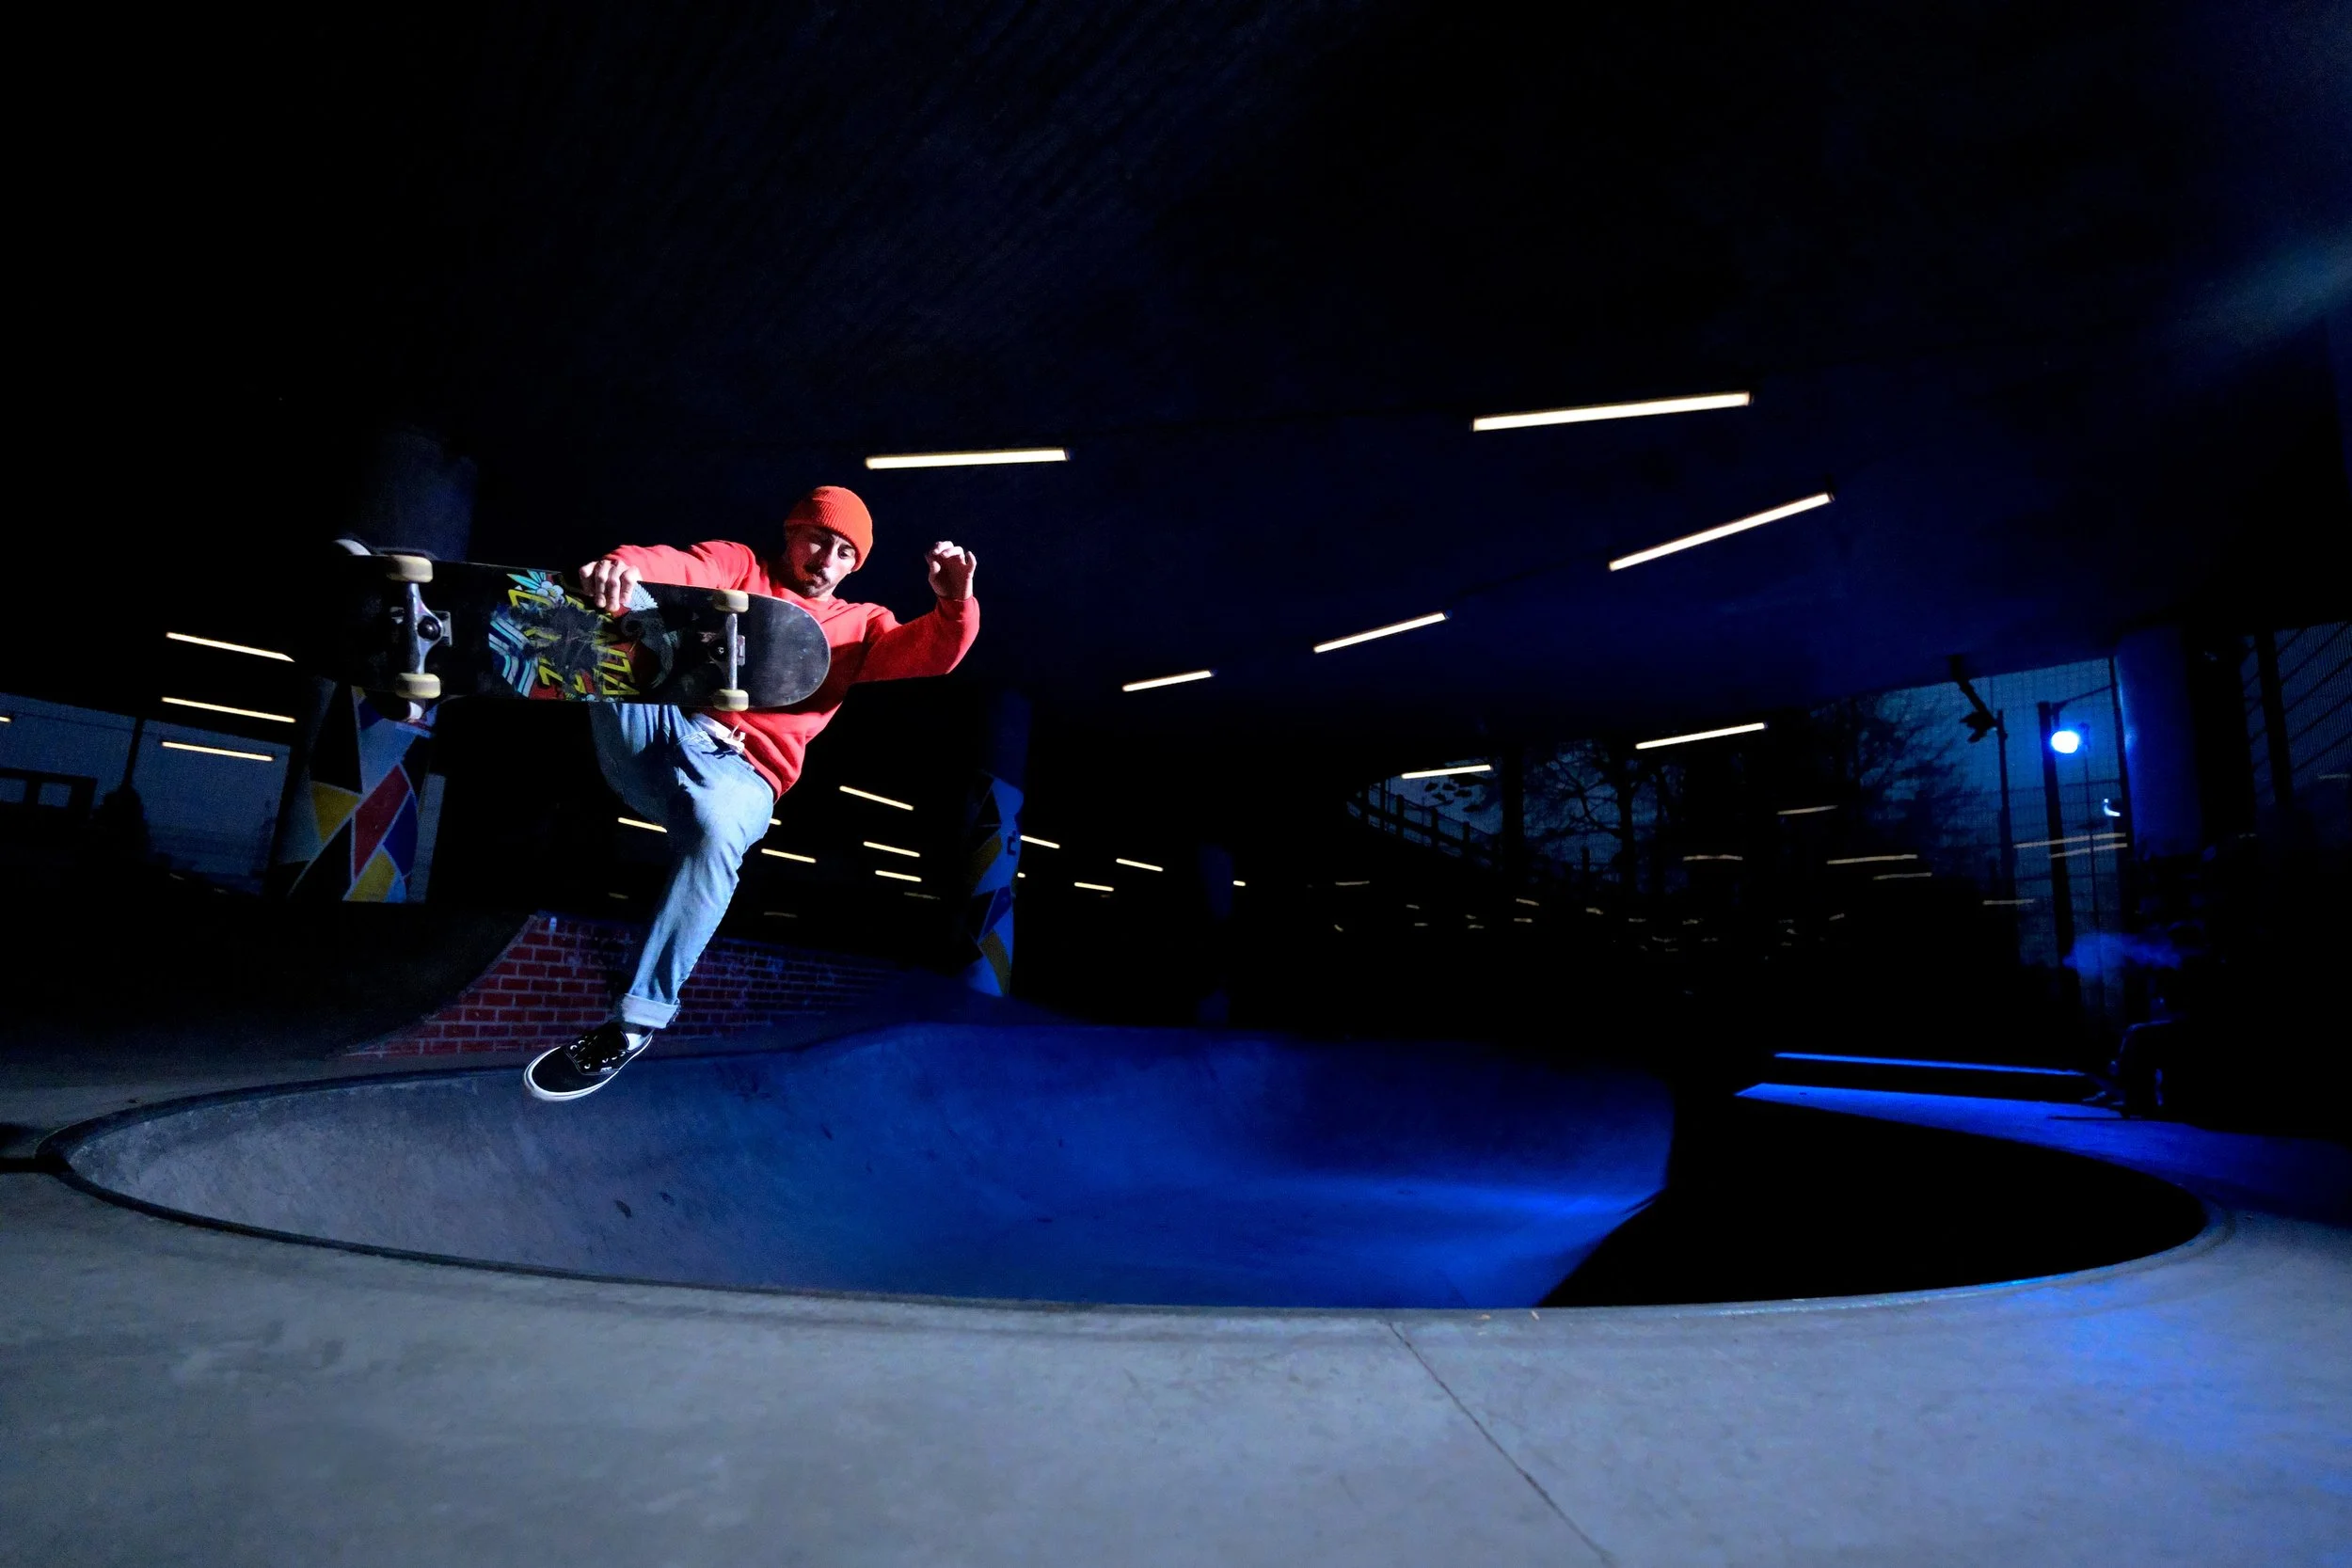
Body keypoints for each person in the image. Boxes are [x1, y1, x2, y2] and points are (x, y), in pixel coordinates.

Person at [526, 484, 977, 1101]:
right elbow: (680, 567)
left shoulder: (860, 625)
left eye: (844, 552)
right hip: (664, 734)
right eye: (819, 538)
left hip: (744, 776)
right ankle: (428, 666)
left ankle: (632, 1025)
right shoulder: (740, 565)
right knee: (605, 623)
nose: (826, 559)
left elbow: (927, 652)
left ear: (855, 566)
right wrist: (623, 566)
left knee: (714, 834)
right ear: (793, 532)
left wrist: (954, 606)